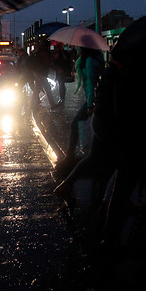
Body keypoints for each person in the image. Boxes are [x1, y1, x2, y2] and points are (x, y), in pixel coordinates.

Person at [53, 47, 104, 200]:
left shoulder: (88, 62)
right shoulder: (94, 60)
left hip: (93, 101)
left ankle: (70, 158)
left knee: (77, 124)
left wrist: (89, 105)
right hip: (96, 101)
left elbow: (90, 85)